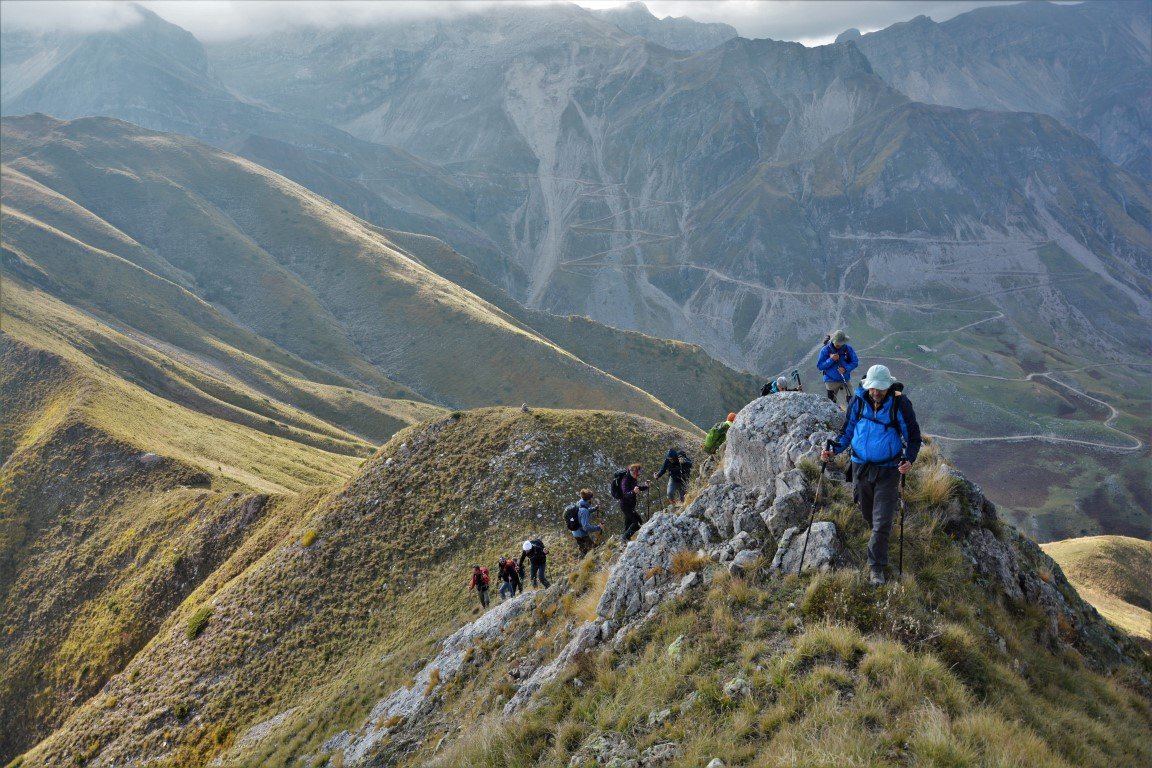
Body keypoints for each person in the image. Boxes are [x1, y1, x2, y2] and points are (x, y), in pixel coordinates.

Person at [821, 364, 922, 586]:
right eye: (872, 388)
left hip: (888, 469)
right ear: (867, 386)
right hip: (860, 466)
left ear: (888, 386)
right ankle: (878, 536)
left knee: (882, 519)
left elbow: (913, 437)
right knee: (867, 512)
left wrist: (909, 460)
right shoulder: (858, 401)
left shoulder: (899, 405)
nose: (875, 393)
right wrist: (833, 450)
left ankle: (876, 568)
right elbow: (847, 432)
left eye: (880, 389)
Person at [817, 329, 859, 406]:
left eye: (841, 343)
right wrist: (831, 359)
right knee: (831, 404)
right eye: (837, 344)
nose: (839, 345)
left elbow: (855, 362)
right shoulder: (825, 350)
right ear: (833, 341)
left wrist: (845, 369)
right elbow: (820, 366)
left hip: (845, 379)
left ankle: (851, 416)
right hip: (830, 381)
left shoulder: (847, 349)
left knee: (852, 402)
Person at [618, 463, 647, 540]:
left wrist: (646, 487)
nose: (638, 475)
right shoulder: (625, 480)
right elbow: (625, 494)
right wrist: (633, 492)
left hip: (630, 505)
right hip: (626, 505)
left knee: (628, 524)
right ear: (633, 472)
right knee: (637, 522)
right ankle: (625, 538)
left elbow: (637, 488)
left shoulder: (632, 478)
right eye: (637, 473)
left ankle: (624, 541)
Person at [571, 488, 603, 555]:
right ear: (589, 499)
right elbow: (586, 527)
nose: (592, 499)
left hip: (575, 533)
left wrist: (594, 508)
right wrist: (598, 527)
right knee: (595, 551)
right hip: (582, 535)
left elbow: (583, 512)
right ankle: (591, 564)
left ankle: (582, 561)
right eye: (592, 498)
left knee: (583, 551)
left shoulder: (579, 503)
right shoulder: (584, 510)